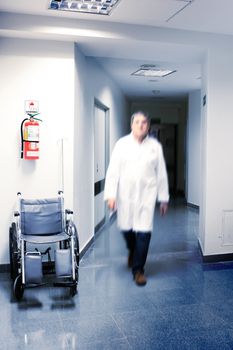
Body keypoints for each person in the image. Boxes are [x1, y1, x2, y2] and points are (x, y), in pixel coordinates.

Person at [104, 111, 169, 286]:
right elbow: (112, 172)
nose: (141, 125)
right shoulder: (121, 145)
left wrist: (164, 199)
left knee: (144, 232)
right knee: (127, 229)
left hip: (147, 197)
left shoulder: (155, 147)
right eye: (137, 122)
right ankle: (132, 250)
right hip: (125, 196)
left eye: (144, 122)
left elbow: (161, 174)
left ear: (148, 126)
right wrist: (111, 194)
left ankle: (138, 270)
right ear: (132, 125)